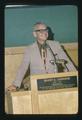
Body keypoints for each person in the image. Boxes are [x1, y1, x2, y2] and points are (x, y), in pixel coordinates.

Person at [7, 22, 76, 91]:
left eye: (46, 30)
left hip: (55, 83)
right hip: (37, 85)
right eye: (41, 31)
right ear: (34, 34)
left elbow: (67, 62)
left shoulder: (55, 45)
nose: (45, 32)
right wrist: (15, 84)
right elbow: (23, 67)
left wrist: (76, 76)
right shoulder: (29, 49)